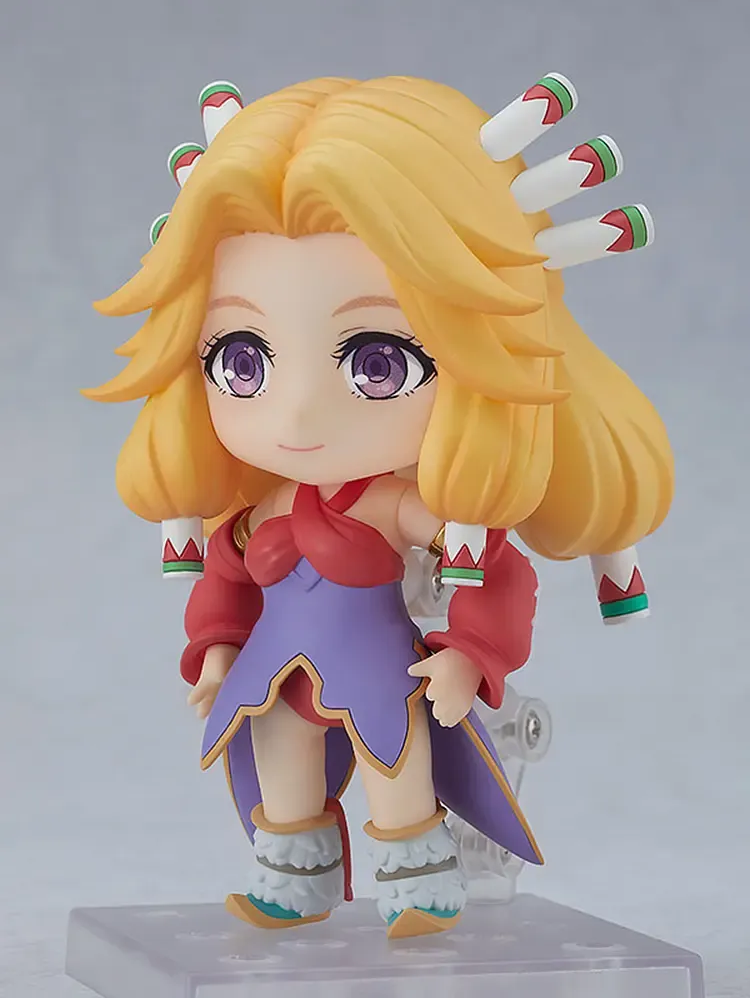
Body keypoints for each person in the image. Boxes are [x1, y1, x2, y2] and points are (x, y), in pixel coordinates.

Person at [85, 75, 673, 938]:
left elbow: (495, 571)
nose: (296, 418)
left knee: (396, 766)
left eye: (376, 363)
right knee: (280, 760)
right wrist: (213, 650)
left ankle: (420, 878)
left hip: (382, 672)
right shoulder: (260, 507)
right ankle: (294, 876)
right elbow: (226, 582)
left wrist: (469, 656)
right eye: (242, 361)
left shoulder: (396, 505)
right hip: (275, 672)